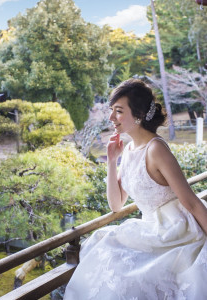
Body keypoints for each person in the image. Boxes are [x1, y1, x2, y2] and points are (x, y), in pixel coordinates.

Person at [64, 79, 207, 299]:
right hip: (150, 228)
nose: (111, 118)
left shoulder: (156, 149)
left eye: (119, 111)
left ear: (139, 114)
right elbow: (116, 204)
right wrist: (112, 161)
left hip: (175, 229)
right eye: (112, 111)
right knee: (105, 248)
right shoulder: (129, 150)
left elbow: (191, 201)